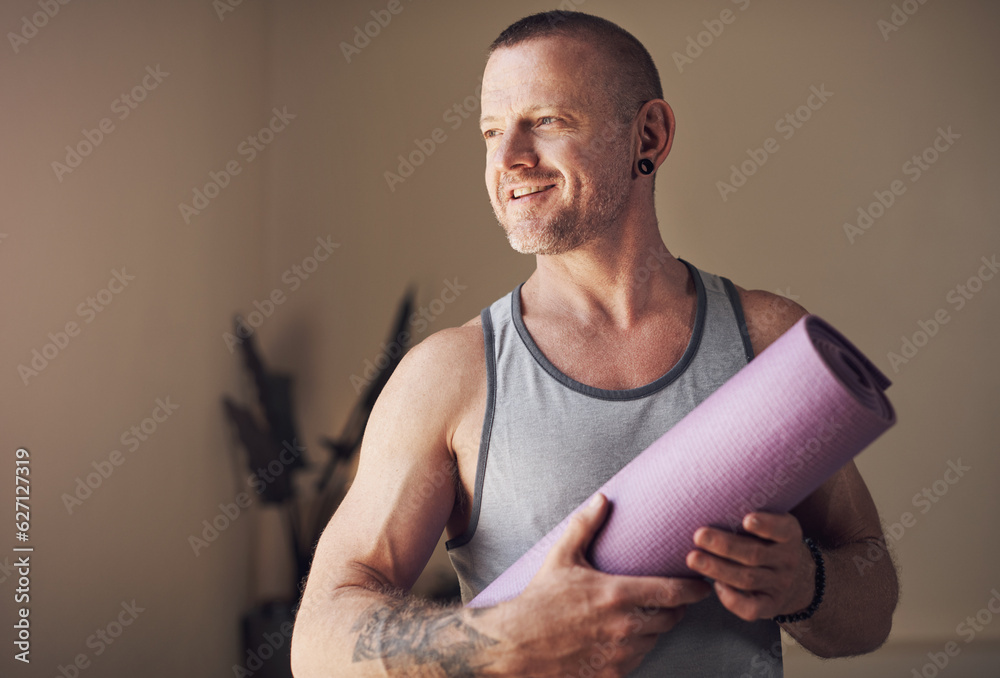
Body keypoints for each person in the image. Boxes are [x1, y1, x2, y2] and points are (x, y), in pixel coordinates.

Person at [291, 10, 898, 677]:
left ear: (650, 134)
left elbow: (870, 606)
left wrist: (806, 584)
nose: (508, 159)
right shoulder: (451, 374)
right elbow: (318, 643)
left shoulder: (767, 340)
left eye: (546, 121)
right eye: (492, 132)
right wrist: (501, 640)